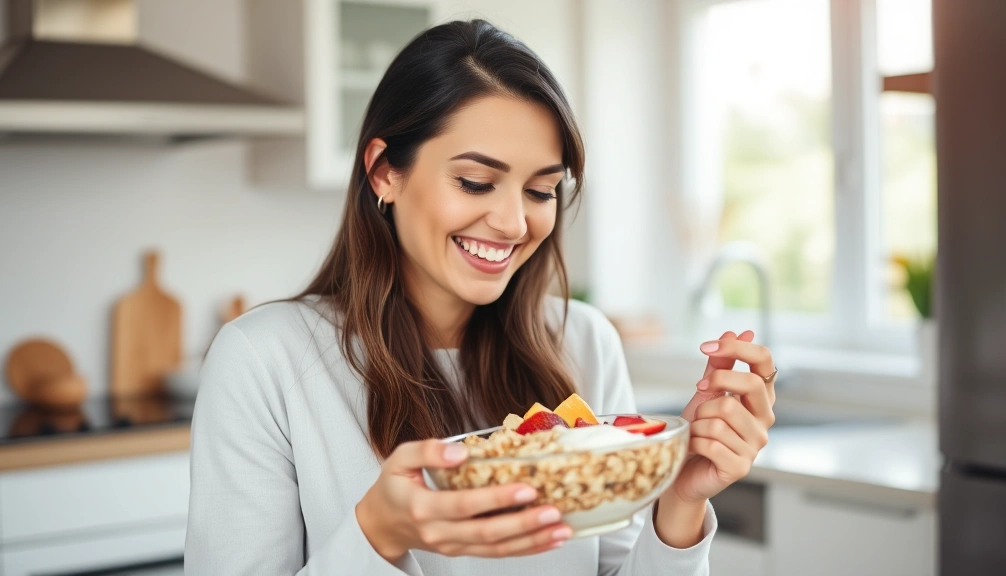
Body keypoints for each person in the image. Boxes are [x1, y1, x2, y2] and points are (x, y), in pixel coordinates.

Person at [184, 18, 776, 576]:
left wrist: (679, 501)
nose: (515, 223)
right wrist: (378, 534)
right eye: (475, 182)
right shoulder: (263, 360)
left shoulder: (583, 342)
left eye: (542, 189)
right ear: (385, 172)